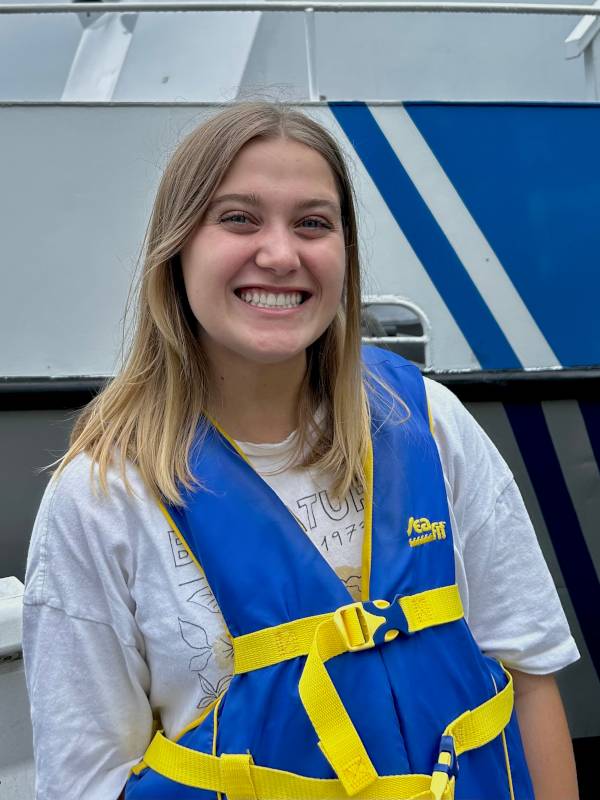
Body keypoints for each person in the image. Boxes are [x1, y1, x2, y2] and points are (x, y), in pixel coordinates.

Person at [23, 102, 579, 800]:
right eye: (238, 219)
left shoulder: (432, 424)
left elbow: (529, 676)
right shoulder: (100, 499)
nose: (281, 255)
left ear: (344, 252)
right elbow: (85, 778)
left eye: (314, 223)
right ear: (177, 249)